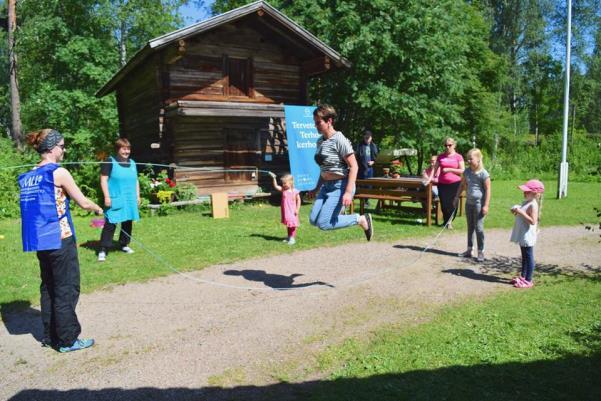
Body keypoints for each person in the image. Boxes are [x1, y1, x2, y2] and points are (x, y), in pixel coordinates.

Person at [18, 129, 103, 352]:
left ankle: (49, 336)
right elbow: (83, 202)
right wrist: (98, 208)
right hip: (60, 238)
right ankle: (67, 340)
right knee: (66, 288)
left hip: (40, 241)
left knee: (48, 287)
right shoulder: (59, 172)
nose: (65, 150)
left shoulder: (29, 175)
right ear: (53, 147)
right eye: (63, 146)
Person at [309, 104, 373, 240]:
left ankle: (360, 219)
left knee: (324, 223)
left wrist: (348, 192)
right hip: (326, 186)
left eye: (318, 122)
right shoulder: (320, 142)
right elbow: (324, 169)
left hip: (340, 186)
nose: (316, 126)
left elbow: (354, 166)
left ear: (329, 121)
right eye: (315, 123)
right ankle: (341, 212)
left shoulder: (339, 139)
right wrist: (316, 188)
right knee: (313, 219)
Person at [97, 138, 140, 262]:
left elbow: (136, 180)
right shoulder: (109, 161)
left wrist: (137, 196)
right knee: (111, 223)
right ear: (118, 149)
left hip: (129, 198)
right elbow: (103, 180)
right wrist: (106, 196)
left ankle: (123, 244)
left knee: (127, 222)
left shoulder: (132, 163)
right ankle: (103, 249)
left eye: (128, 148)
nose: (126, 151)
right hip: (115, 197)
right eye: (124, 148)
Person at [455, 149, 491, 262]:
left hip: (479, 204)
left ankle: (481, 252)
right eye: (468, 159)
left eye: (471, 159)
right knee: (470, 227)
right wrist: (456, 197)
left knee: (479, 228)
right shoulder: (467, 172)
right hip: (469, 203)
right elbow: (462, 185)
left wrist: (486, 205)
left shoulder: (484, 174)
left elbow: (488, 190)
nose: (469, 161)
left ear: (478, 159)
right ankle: (469, 250)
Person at [510, 179, 544, 289]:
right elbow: (523, 215)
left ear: (534, 193)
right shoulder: (527, 202)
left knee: (529, 257)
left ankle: (528, 280)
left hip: (527, 235)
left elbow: (533, 221)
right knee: (524, 256)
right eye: (524, 191)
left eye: (527, 191)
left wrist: (521, 212)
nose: (524, 193)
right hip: (523, 233)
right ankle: (523, 276)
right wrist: (517, 212)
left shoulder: (533, 204)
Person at [426, 137, 464, 228]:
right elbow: (434, 169)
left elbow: (462, 170)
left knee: (452, 204)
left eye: (449, 145)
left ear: (454, 145)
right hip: (442, 184)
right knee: (444, 204)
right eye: (445, 145)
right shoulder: (441, 156)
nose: (447, 147)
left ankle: (449, 222)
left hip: (455, 183)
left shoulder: (458, 157)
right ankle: (446, 221)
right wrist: (430, 178)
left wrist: (450, 170)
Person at [270, 173, 301, 245]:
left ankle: (292, 238)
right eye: (283, 183)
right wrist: (274, 178)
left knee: (292, 224)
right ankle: (289, 236)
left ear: (290, 182)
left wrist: (297, 209)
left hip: (292, 211)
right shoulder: (283, 190)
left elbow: (299, 200)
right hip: (286, 211)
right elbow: (276, 186)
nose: (283, 184)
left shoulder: (295, 191)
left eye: (285, 183)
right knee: (288, 224)